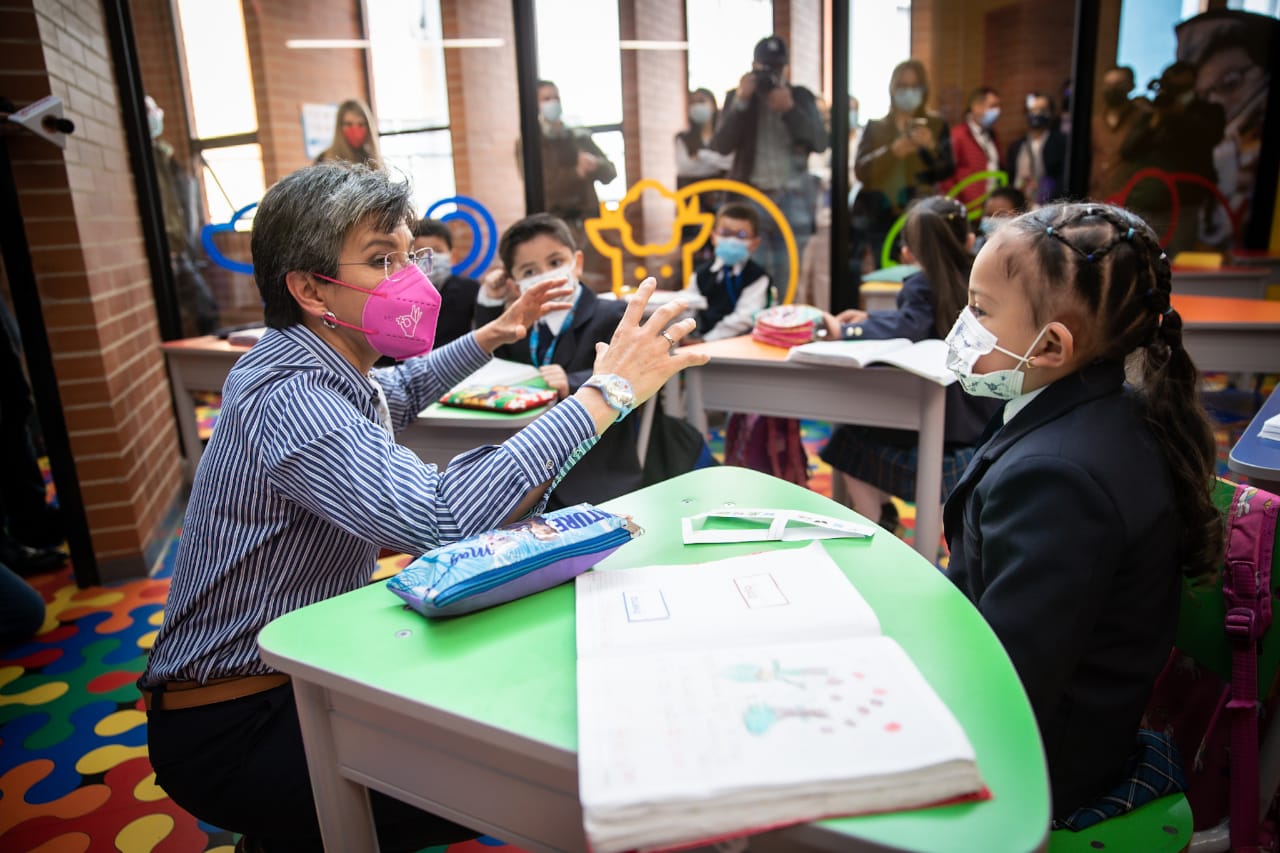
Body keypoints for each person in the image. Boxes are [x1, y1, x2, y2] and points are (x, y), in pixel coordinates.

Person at [138, 162, 707, 853]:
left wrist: (493, 335)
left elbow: (397, 393)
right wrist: (606, 392)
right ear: (311, 288)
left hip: (293, 665)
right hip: (237, 717)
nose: (411, 278)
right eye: (383, 259)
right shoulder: (290, 392)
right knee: (530, 775)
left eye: (411, 255)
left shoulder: (326, 363)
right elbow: (440, 519)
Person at [942, 202, 1222, 823]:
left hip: (1043, 764)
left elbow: (1008, 683)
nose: (963, 325)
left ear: (1051, 345)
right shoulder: (1090, 405)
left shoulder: (1058, 478)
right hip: (1062, 717)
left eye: (980, 310)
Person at [818, 196, 1000, 531]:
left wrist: (847, 329)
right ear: (970, 241)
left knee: (847, 436)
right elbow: (921, 320)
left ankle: (878, 520)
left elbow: (911, 325)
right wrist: (872, 317)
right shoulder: (982, 282)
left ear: (908, 253)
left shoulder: (921, 285)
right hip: (979, 420)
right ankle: (890, 517)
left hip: (941, 424)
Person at [473, 213, 641, 509]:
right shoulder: (522, 327)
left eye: (554, 263)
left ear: (577, 263)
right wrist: (489, 300)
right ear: (515, 286)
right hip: (530, 464)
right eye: (529, 271)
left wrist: (575, 382)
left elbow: (636, 374)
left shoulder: (613, 315)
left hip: (593, 468)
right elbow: (493, 366)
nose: (546, 274)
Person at [710, 35, 827, 287]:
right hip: (753, 197)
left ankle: (784, 324)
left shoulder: (800, 96)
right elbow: (721, 145)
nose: (769, 73)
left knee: (789, 275)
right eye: (764, 67)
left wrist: (790, 109)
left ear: (785, 67)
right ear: (753, 66)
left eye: (775, 67)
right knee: (754, 277)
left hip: (793, 198)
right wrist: (742, 101)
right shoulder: (739, 97)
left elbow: (820, 142)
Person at [854, 59, 955, 265]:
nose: (908, 92)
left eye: (914, 87)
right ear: (893, 88)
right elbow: (861, 171)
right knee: (883, 277)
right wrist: (893, 152)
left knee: (921, 275)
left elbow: (947, 169)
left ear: (923, 89)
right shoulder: (876, 127)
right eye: (903, 86)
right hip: (882, 216)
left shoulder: (936, 125)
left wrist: (932, 147)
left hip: (922, 214)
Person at [1120, 62, 1225, 254]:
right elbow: (1127, 150)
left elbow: (1209, 137)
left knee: (1175, 261)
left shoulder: (1208, 111)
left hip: (1184, 200)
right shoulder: (1153, 114)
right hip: (1147, 197)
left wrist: (1178, 115)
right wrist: (1154, 122)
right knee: (1139, 257)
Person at [523, 79, 617, 283]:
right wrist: (576, 173)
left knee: (594, 280)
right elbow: (544, 185)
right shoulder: (530, 142)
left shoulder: (578, 136)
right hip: (556, 225)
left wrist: (596, 164)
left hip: (589, 222)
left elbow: (611, 172)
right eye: (546, 99)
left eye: (555, 97)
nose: (552, 103)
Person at [145, 95, 220, 337]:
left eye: (155, 110)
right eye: (149, 111)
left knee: (206, 310)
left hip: (180, 249)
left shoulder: (164, 157)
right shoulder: (145, 160)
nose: (156, 115)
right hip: (163, 251)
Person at [680, 202, 771, 342]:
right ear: (713, 237)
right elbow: (687, 308)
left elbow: (744, 318)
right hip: (700, 344)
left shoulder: (757, 277)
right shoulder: (701, 275)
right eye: (725, 233)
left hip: (741, 346)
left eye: (741, 235)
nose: (732, 240)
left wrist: (706, 340)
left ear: (754, 243)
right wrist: (683, 335)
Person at [410, 218, 480, 348]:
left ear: (452, 256)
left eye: (436, 250)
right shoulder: (399, 295)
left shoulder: (470, 289)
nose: (429, 258)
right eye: (420, 252)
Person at [1088, 67, 1149, 202]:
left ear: (1131, 86)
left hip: (1129, 199)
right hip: (1096, 197)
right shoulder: (1095, 122)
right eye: (1109, 84)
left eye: (1118, 84)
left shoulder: (1142, 120)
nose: (1113, 89)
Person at [940, 87, 1002, 209]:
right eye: (993, 106)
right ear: (976, 106)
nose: (997, 111)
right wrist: (956, 207)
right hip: (967, 210)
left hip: (989, 210)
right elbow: (945, 177)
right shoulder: (957, 136)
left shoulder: (992, 137)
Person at [1006, 92, 1068, 206]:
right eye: (1032, 110)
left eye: (1042, 110)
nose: (1037, 114)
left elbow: (1062, 179)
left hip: (1048, 207)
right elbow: (1010, 178)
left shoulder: (1061, 144)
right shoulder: (1017, 146)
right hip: (1020, 207)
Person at [675, 88, 733, 190]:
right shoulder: (682, 138)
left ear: (713, 106)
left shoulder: (725, 137)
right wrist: (718, 163)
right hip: (691, 197)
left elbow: (730, 163)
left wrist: (702, 155)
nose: (697, 106)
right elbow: (685, 168)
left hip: (719, 196)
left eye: (701, 101)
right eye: (693, 102)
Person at [314, 99, 381, 168]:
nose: (355, 131)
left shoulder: (371, 159)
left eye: (360, 124)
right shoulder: (324, 159)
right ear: (339, 127)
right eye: (349, 124)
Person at [973, 185, 1028, 253]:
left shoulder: (1025, 253)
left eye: (1001, 215)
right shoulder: (976, 245)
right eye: (988, 215)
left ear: (1019, 217)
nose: (992, 219)